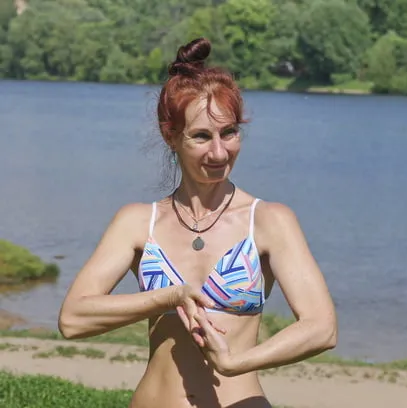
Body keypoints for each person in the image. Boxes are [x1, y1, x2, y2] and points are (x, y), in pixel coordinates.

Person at [58, 37, 337, 408]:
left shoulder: (270, 221)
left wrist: (237, 363)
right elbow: (73, 319)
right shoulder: (138, 222)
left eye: (230, 133)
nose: (219, 152)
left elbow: (322, 327)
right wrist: (169, 296)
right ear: (170, 135)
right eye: (202, 136)